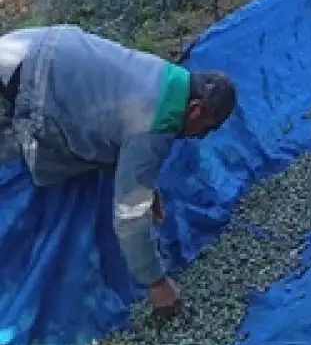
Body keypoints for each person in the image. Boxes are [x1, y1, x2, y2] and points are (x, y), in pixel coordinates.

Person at [0, 25, 236, 316]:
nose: (200, 137)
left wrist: (144, 186)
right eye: (206, 129)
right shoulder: (157, 126)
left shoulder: (165, 76)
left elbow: (115, 127)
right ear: (196, 109)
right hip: (26, 82)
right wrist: (157, 282)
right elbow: (130, 216)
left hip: (34, 45)